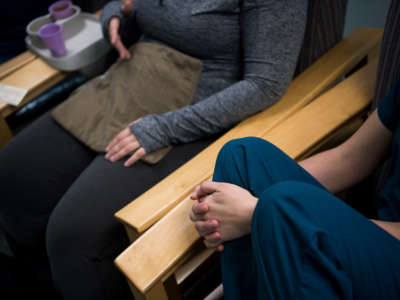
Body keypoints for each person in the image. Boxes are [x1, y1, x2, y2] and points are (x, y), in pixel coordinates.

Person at [0, 0, 312, 299]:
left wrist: (165, 128)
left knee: (72, 235)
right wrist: (117, 17)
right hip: (132, 77)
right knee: (12, 175)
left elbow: (265, 84)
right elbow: (137, 8)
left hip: (196, 110)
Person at [189, 2, 400, 298]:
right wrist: (223, 207)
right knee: (242, 157)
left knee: (282, 204)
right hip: (371, 234)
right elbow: (351, 157)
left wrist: (264, 212)